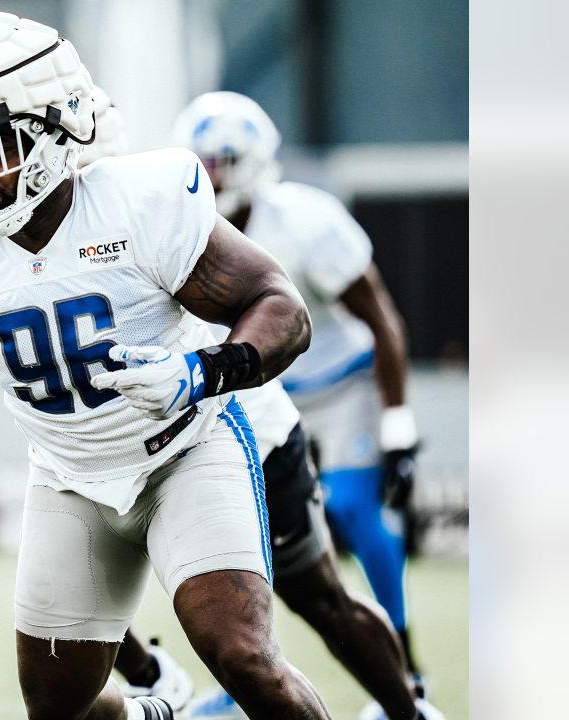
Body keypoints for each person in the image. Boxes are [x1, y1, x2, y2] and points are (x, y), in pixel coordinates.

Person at [0, 13, 329, 720]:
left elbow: (282, 308)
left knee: (242, 655)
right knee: (57, 709)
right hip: (69, 477)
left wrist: (198, 372)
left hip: (187, 451)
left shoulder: (137, 202)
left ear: (51, 130)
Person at [78, 89, 444, 720]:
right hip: (168, 422)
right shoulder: (85, 228)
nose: (211, 173)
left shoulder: (281, 220)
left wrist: (396, 426)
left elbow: (309, 316)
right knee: (79, 580)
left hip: (259, 406)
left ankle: (406, 698)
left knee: (320, 580)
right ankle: (169, 680)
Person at [171, 92, 427, 719]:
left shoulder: (308, 221)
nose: (213, 174)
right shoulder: (177, 226)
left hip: (336, 385)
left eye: (226, 158)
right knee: (247, 545)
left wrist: (398, 424)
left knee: (350, 510)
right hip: (254, 397)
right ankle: (249, 680)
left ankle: (408, 672)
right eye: (202, 159)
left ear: (257, 160)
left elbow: (382, 320)